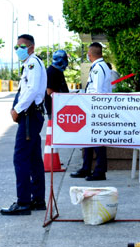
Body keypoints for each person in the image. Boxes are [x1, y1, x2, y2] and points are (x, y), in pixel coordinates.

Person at [0, 34, 47, 216]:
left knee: (20, 158)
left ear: (31, 48)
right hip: (31, 116)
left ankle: (24, 202)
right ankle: (37, 199)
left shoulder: (33, 63)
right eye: (16, 47)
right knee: (34, 159)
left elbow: (33, 89)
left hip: (29, 116)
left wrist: (17, 109)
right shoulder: (30, 63)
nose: (18, 50)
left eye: (22, 46)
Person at [70, 42, 112, 181]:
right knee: (88, 138)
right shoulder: (99, 66)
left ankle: (99, 171)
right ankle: (86, 167)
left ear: (90, 54)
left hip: (96, 108)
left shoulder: (98, 68)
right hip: (92, 107)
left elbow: (98, 91)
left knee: (97, 140)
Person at [45, 50, 70, 119]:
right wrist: (63, 95)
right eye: (65, 59)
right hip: (54, 108)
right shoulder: (51, 71)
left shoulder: (59, 70)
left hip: (60, 106)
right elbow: (49, 91)